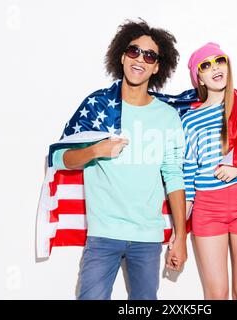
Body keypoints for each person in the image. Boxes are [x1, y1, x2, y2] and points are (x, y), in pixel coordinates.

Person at [51, 20, 188, 300]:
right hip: (103, 235)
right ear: (123, 56)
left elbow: (173, 175)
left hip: (148, 237)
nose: (140, 59)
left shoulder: (167, 117)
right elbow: (58, 158)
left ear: (157, 66)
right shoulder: (98, 106)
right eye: (134, 51)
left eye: (149, 55)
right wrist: (94, 151)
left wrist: (181, 237)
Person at [182, 43, 237, 300]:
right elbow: (187, 172)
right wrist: (177, 231)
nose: (215, 67)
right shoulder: (188, 119)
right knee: (216, 294)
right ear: (200, 79)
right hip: (207, 208)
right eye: (205, 65)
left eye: (219, 60)